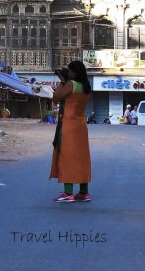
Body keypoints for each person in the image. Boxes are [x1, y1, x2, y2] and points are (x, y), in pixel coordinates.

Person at [50, 60, 92, 203]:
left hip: (68, 126)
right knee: (82, 158)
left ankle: (68, 193)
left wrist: (62, 81)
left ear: (74, 72)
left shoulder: (71, 84)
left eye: (70, 70)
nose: (68, 72)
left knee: (66, 157)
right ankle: (84, 192)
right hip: (81, 126)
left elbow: (56, 97)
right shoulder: (86, 86)